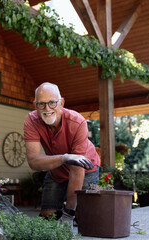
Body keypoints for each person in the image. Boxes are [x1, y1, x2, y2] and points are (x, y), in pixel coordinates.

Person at [24, 82, 101, 227]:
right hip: (57, 170)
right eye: (41, 104)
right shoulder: (31, 120)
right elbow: (33, 161)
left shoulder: (77, 122)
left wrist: (69, 212)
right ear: (35, 105)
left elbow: (77, 172)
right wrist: (65, 158)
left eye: (52, 103)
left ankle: (75, 213)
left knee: (83, 216)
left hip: (86, 169)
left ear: (62, 102)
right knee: (48, 217)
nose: (47, 109)